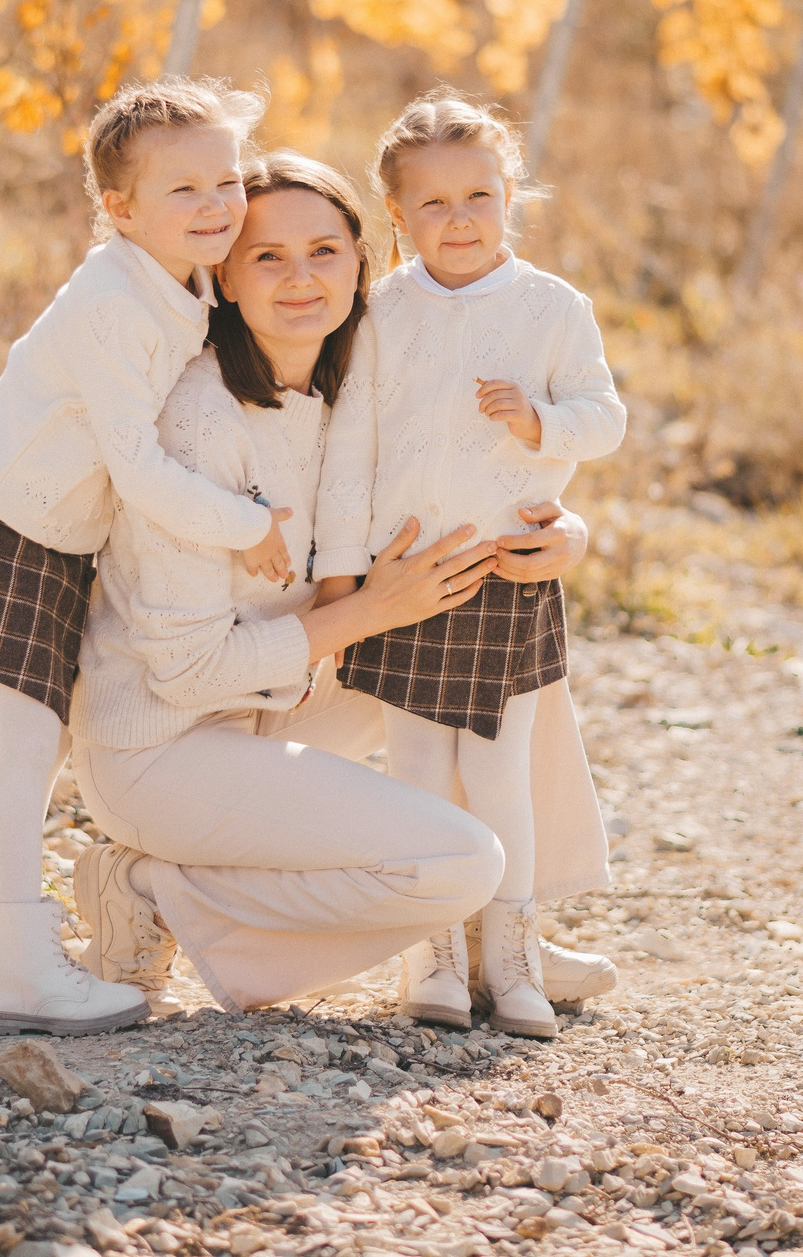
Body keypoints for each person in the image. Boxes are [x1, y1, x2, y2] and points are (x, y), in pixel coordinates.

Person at [65, 154, 516, 1011]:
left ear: (364, 264)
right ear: (224, 278)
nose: (302, 277)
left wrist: (563, 530)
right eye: (268, 257)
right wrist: (369, 611)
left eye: (325, 250)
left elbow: (493, 474)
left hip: (271, 708)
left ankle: (518, 927)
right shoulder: (202, 420)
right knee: (460, 861)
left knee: (469, 680)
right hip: (161, 746)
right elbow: (183, 672)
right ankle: (160, 888)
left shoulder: (350, 396)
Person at [0, 79, 298, 1037]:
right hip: (6, 513)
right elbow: (136, 467)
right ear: (119, 210)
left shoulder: (189, 276)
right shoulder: (112, 303)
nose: (217, 205)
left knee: (40, 742)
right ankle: (18, 968)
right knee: (24, 745)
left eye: (227, 180)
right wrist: (245, 522)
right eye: (185, 191)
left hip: (58, 526)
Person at [316, 92, 626, 1039]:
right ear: (398, 218)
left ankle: (517, 958)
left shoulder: (550, 308)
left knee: (499, 773)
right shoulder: (381, 312)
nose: (460, 221)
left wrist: (540, 423)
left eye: (480, 197)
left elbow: (604, 417)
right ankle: (435, 953)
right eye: (435, 205)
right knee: (418, 768)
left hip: (502, 568)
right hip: (408, 571)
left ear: (510, 198)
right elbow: (349, 448)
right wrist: (342, 573)